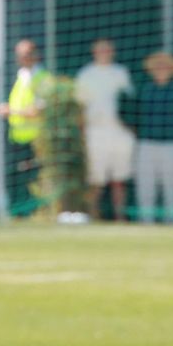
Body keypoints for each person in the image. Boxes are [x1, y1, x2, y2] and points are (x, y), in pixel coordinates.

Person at [129, 50, 173, 224]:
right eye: (157, 65)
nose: (161, 68)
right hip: (146, 145)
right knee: (145, 187)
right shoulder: (144, 89)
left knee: (172, 188)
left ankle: (171, 224)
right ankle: (145, 223)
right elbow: (134, 116)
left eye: (164, 65)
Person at [72, 38, 134, 222]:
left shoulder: (121, 73)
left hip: (119, 133)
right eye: (101, 50)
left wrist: (130, 128)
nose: (104, 53)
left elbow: (129, 104)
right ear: (94, 52)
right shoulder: (86, 74)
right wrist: (82, 133)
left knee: (119, 179)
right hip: (95, 133)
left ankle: (120, 217)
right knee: (95, 180)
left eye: (108, 50)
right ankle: (93, 216)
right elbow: (80, 107)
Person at [0, 39, 52, 218]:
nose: (21, 58)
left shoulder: (43, 78)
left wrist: (10, 111)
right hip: (17, 138)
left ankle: (37, 213)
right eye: (19, 55)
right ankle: (20, 213)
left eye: (26, 55)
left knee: (34, 178)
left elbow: (39, 110)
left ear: (35, 55)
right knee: (15, 177)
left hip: (36, 140)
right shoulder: (21, 76)